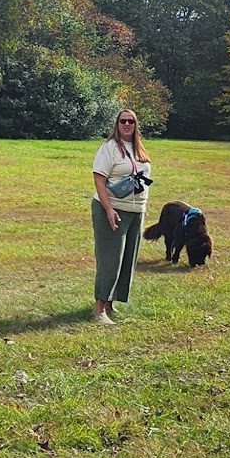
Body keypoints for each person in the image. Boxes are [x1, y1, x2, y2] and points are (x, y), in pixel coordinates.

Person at [91, 108, 150, 323]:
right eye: (123, 121)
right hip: (113, 209)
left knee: (127, 259)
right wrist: (108, 209)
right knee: (111, 259)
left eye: (131, 121)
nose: (127, 125)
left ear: (136, 125)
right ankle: (99, 309)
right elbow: (99, 180)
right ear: (117, 124)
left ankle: (110, 304)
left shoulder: (138, 149)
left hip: (135, 211)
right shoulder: (109, 149)